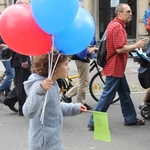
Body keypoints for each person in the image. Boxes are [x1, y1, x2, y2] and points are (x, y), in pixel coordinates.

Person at [87, 3, 148, 130]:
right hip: (114, 67)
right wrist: (135, 45)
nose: (130, 13)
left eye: (131, 11)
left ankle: (130, 119)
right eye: (128, 11)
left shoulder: (114, 25)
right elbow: (119, 49)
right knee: (107, 95)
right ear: (119, 13)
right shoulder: (117, 27)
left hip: (116, 67)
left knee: (125, 93)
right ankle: (93, 122)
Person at [22, 49, 87, 150]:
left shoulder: (53, 84)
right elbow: (28, 112)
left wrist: (76, 108)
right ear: (55, 68)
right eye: (66, 64)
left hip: (53, 142)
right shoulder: (41, 86)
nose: (69, 68)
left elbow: (54, 107)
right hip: (43, 145)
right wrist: (40, 91)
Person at [61, 36, 98, 110]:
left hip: (81, 59)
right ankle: (81, 103)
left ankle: (67, 96)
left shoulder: (83, 35)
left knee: (83, 81)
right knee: (84, 82)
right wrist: (95, 49)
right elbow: (88, 50)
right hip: (82, 60)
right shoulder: (86, 36)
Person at [0, 36, 15, 102]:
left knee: (9, 73)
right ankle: (1, 89)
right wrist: (9, 46)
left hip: (10, 54)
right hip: (5, 54)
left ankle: (7, 91)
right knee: (11, 74)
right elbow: (0, 44)